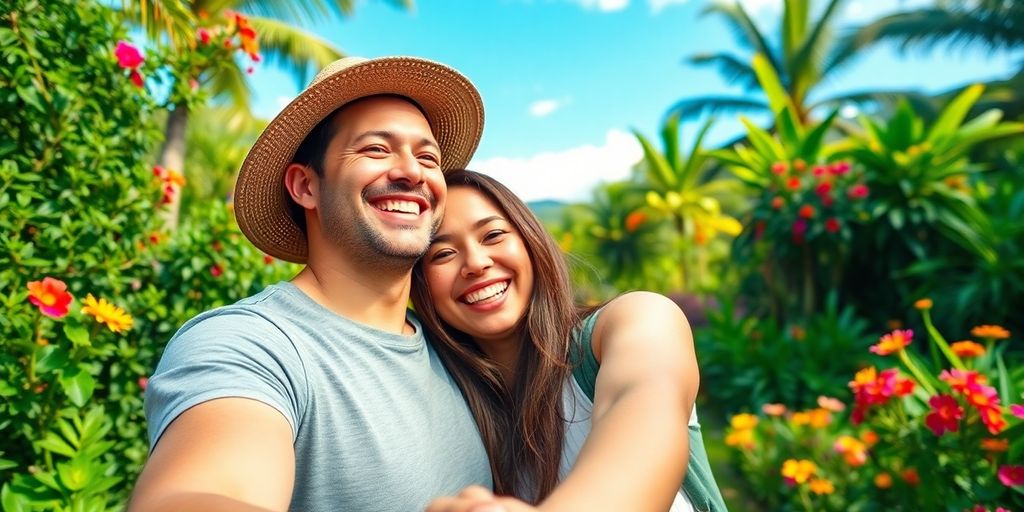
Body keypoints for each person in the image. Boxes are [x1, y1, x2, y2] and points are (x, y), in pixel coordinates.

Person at [129, 57, 492, 512]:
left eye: (427, 157)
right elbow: (192, 496)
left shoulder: (454, 343)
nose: (412, 172)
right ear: (305, 186)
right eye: (377, 150)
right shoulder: (250, 344)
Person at [410, 170, 728, 512]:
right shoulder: (455, 409)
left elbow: (645, 426)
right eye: (442, 254)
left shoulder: (638, 320)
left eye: (494, 235)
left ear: (530, 241)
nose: (476, 263)